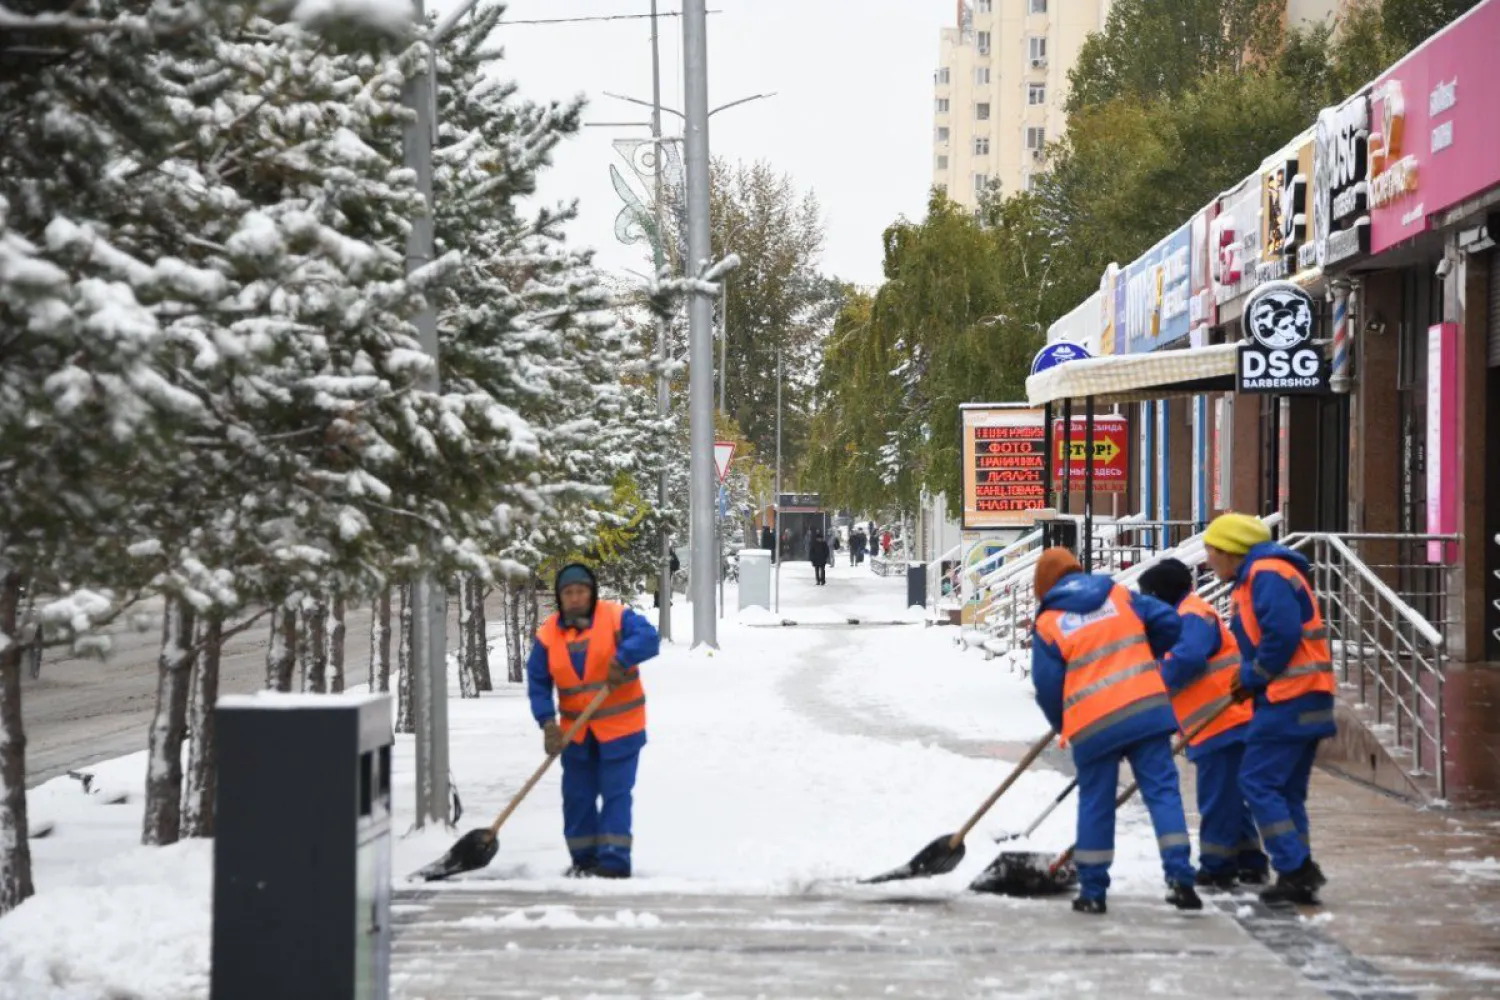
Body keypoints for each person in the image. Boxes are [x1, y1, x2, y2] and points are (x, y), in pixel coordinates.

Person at [1030, 547, 1201, 915]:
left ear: (1043, 587)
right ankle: (1181, 879)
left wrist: (1065, 723)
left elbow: (1046, 687)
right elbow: (1170, 623)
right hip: (1146, 710)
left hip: (1093, 724)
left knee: (1096, 801)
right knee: (1162, 793)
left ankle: (1093, 892)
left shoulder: (1048, 623)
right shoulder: (1117, 594)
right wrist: (1141, 651)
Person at [1203, 513, 1337, 907]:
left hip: (1289, 697)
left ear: (1230, 551)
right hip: (1305, 696)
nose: (1208, 559)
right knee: (1286, 791)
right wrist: (1250, 678)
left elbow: (1281, 633)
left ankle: (1295, 869)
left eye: (1211, 550)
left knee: (1258, 782)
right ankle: (1298, 870)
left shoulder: (1266, 574)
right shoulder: (1256, 577)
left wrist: (1255, 675)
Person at [1138, 558, 1270, 891]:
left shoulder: (1191, 616)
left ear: (1159, 594)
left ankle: (1217, 867)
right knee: (1229, 796)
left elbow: (1185, 660)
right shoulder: (1182, 616)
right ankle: (1251, 862)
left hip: (1222, 722)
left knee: (1216, 799)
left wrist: (1149, 687)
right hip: (1218, 722)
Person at [527, 563, 660, 878]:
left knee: (615, 794)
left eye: (581, 591)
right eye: (568, 593)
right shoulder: (548, 635)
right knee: (577, 797)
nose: (575, 598)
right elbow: (538, 682)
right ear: (560, 597)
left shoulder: (616, 617)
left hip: (621, 729)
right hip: (576, 733)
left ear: (592, 593)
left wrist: (623, 657)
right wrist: (547, 723)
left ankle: (614, 862)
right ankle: (583, 860)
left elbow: (648, 638)